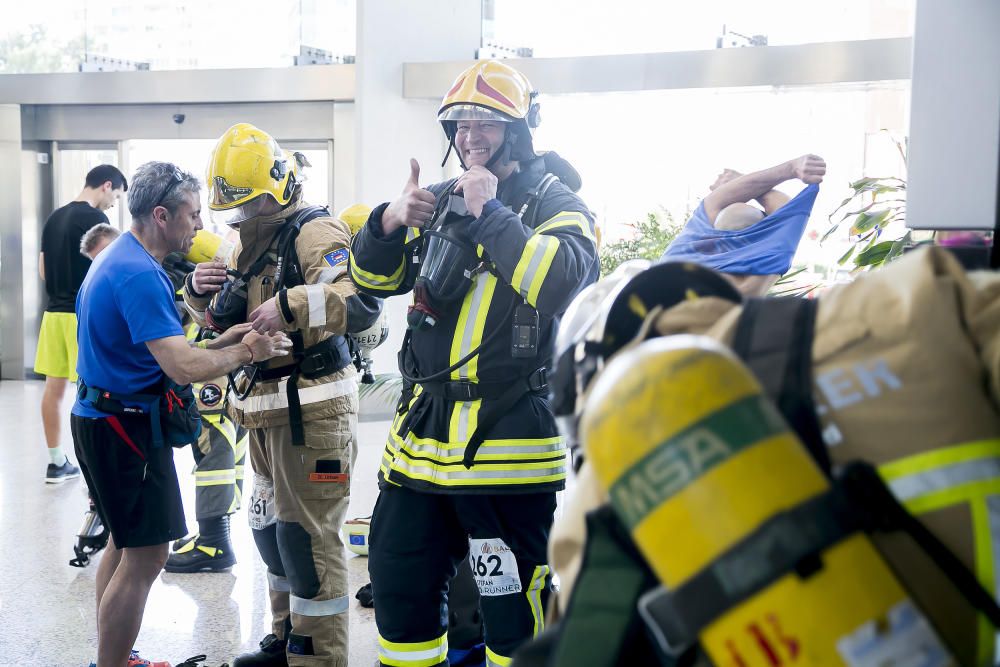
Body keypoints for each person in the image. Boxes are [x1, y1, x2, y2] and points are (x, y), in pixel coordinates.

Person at [350, 60, 599, 667]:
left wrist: (492, 214)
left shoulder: (556, 202)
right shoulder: (438, 200)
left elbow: (562, 284)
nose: (470, 137)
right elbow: (372, 280)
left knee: (514, 616)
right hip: (424, 438)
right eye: (460, 125)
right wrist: (388, 221)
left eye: (486, 124)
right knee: (398, 585)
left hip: (508, 442)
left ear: (518, 130)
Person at [73, 161, 291, 667]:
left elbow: (161, 348)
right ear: (162, 214)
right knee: (149, 556)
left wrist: (225, 339)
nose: (200, 226)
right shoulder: (139, 275)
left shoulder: (119, 257)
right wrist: (246, 352)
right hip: (123, 429)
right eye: (193, 215)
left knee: (125, 546)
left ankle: (114, 657)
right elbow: (183, 366)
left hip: (101, 419)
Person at [185, 123, 382, 667]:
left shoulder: (316, 234)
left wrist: (292, 304)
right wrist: (198, 294)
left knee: (309, 544)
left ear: (280, 186)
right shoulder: (248, 241)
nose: (242, 216)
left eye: (250, 205)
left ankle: (318, 658)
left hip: (313, 417)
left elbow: (356, 300)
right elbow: (224, 320)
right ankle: (286, 641)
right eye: (236, 208)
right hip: (263, 415)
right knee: (273, 537)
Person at [36, 164, 127, 483]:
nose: (114, 203)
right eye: (115, 195)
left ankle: (56, 461)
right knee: (91, 391)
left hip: (52, 315)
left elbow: (44, 270)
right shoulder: (96, 220)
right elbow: (108, 270)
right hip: (81, 313)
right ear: (106, 185)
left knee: (54, 389)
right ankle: (93, 464)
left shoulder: (54, 218)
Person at [661, 154, 826, 296]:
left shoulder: (684, 248)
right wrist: (753, 186)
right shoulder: (761, 265)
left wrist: (791, 168)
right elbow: (786, 209)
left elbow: (717, 199)